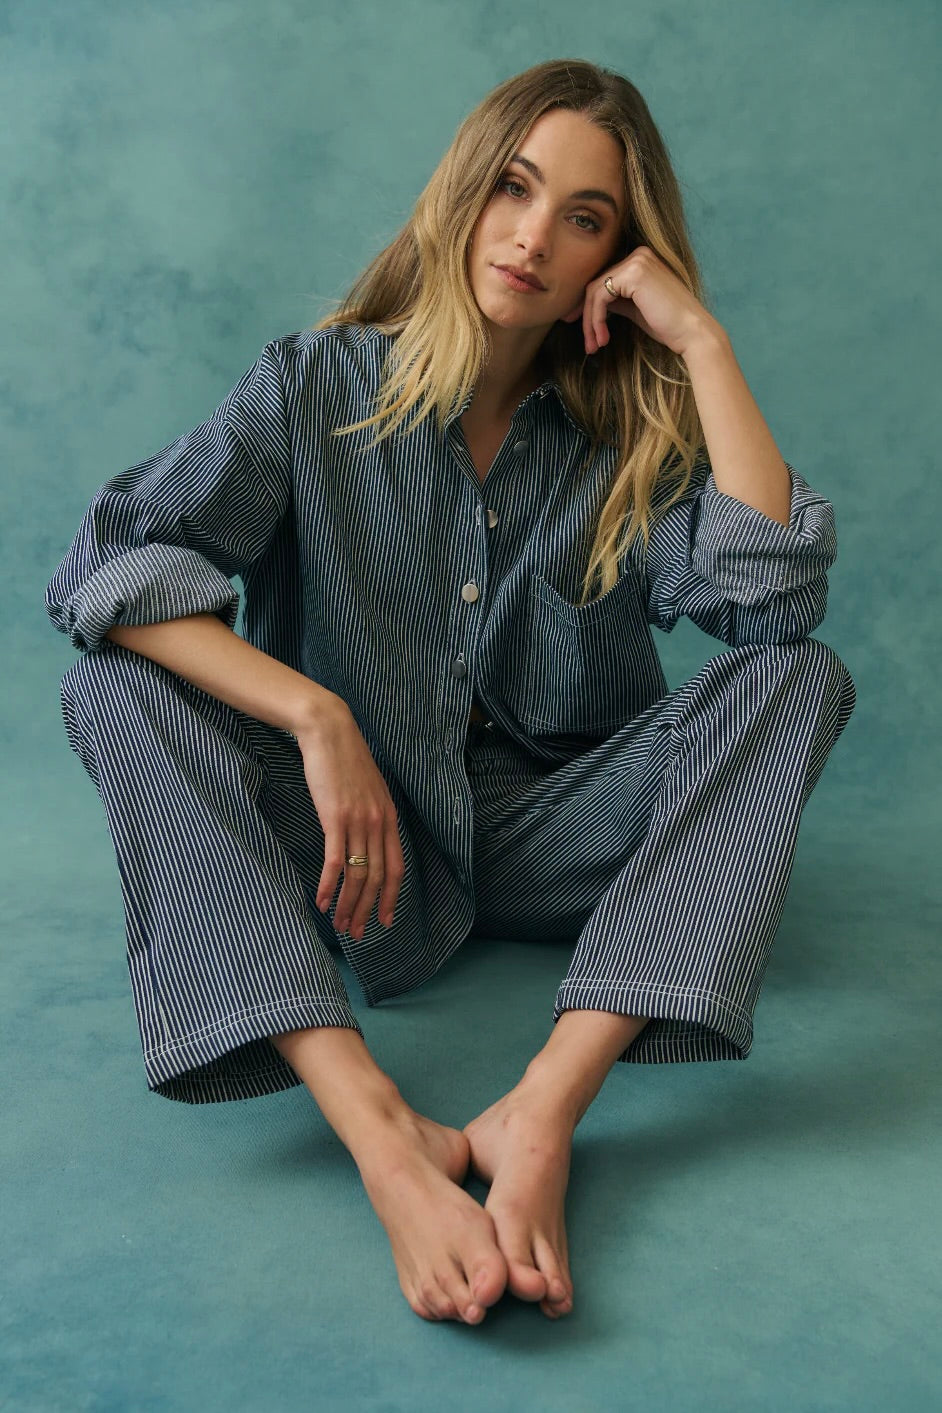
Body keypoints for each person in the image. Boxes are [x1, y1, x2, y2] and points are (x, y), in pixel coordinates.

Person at [44, 59, 856, 1329]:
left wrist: (703, 343)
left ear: (614, 259)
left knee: (799, 678)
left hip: (563, 840)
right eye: (515, 189)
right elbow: (109, 563)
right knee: (115, 688)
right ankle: (376, 1127)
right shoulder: (311, 387)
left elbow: (772, 608)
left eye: (583, 217)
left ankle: (545, 1108)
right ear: (465, 192)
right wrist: (316, 716)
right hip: (351, 852)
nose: (533, 238)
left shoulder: (631, 438)